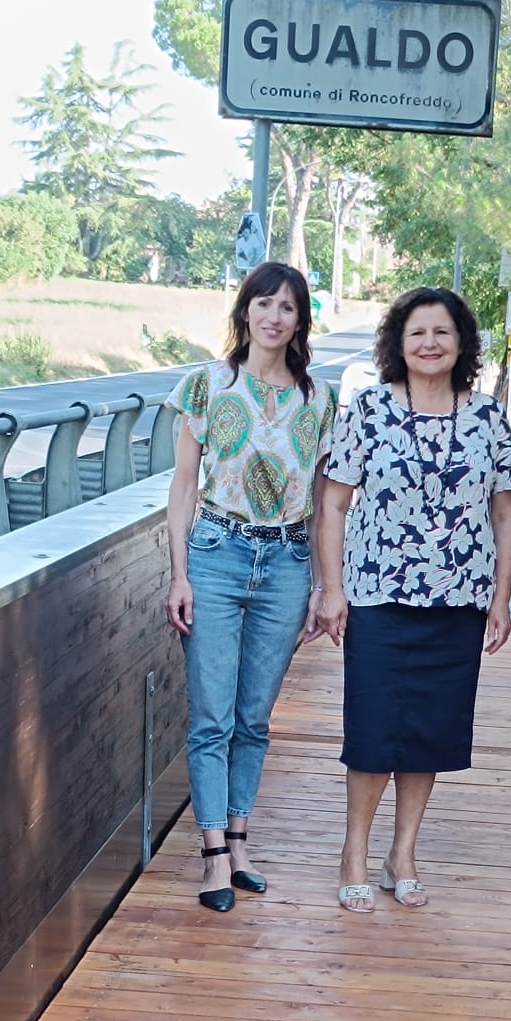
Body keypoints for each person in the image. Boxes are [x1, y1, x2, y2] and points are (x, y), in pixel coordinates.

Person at [314, 287, 511, 913]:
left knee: (429, 731)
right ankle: (354, 851)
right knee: (375, 729)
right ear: (397, 345)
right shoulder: (368, 410)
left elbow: (506, 514)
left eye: (442, 333)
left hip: (459, 601)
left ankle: (402, 852)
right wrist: (332, 588)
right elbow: (333, 504)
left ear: (462, 344)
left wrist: (502, 598)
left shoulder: (486, 416)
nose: (430, 344)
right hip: (376, 595)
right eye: (417, 333)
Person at [164, 262, 337, 911]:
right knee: (212, 716)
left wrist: (324, 584)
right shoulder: (208, 385)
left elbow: (324, 497)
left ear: (300, 321)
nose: (274, 316)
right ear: (245, 312)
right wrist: (179, 573)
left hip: (287, 562)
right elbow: (183, 486)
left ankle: (239, 841)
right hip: (215, 553)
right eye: (264, 303)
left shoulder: (318, 398)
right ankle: (211, 854)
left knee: (254, 719)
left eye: (287, 307)